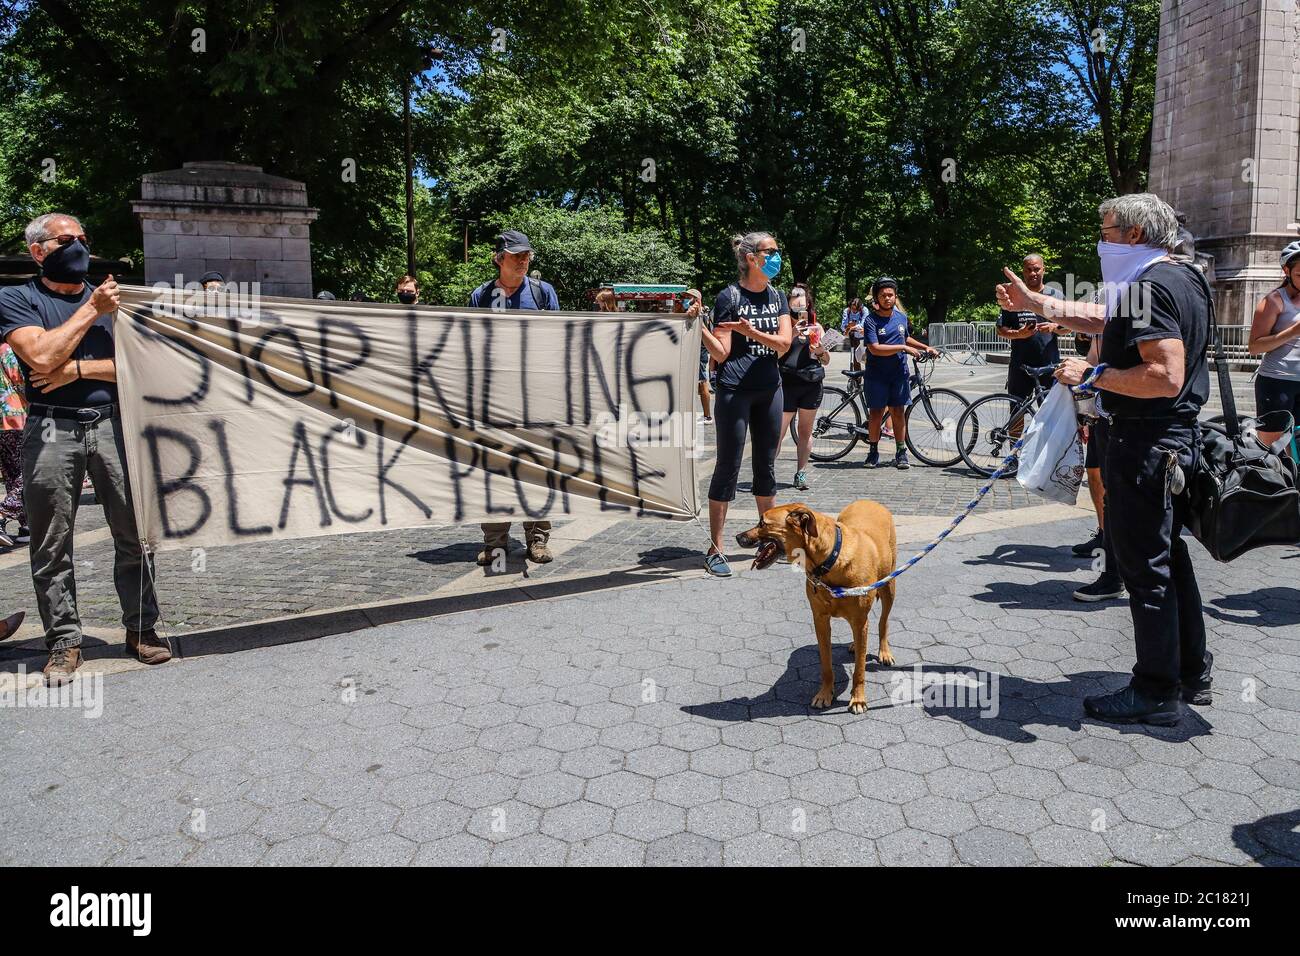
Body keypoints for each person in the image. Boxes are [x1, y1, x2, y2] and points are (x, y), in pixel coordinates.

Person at [999, 192, 1212, 725]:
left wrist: (1091, 376)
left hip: (1145, 441)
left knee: (1145, 566)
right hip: (1170, 440)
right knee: (1169, 556)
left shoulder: (1148, 285)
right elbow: (1106, 318)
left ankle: (1156, 690)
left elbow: (1164, 375)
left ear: (1135, 235)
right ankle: (1191, 670)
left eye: (1108, 229)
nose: (1102, 239)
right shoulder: (1179, 277)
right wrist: (1038, 304)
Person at [0, 213, 166, 685]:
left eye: (82, 239)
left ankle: (142, 629)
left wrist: (78, 371)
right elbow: (41, 356)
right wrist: (92, 311)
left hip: (115, 425)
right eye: (65, 240)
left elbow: (144, 366)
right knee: (52, 544)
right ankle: (64, 642)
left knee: (134, 534)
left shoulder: (119, 299)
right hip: (51, 430)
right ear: (38, 251)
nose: (78, 246)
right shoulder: (17, 298)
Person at [699, 231, 793, 577]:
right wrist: (698, 324)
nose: (776, 257)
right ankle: (716, 548)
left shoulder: (777, 296)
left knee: (766, 467)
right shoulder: (730, 296)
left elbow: (784, 344)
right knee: (727, 467)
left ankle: (770, 540)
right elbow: (721, 352)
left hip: (770, 389)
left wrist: (750, 332)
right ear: (752, 257)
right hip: (734, 390)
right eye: (771, 252)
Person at [467, 230, 560, 565]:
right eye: (516, 255)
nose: (523, 261)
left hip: (535, 395)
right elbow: (474, 346)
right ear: (499, 257)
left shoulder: (542, 292)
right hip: (496, 396)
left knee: (536, 468)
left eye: (527, 256)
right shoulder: (481, 295)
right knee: (495, 470)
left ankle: (537, 539)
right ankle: (495, 542)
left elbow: (556, 341)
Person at [862, 278, 936, 469]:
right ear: (877, 298)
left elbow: (906, 337)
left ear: (895, 297)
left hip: (898, 373)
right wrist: (903, 347)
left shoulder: (901, 317)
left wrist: (926, 347)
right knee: (876, 413)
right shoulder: (871, 320)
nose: (887, 298)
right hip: (877, 374)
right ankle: (873, 452)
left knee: (898, 412)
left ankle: (901, 452)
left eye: (890, 295)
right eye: (883, 295)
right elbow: (875, 348)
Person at [1248, 240, 1300, 453]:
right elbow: (1254, 347)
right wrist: (1293, 331)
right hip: (1277, 383)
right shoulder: (1274, 301)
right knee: (1272, 449)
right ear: (1286, 271)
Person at [777, 286, 830, 490]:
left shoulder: (816, 326)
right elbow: (776, 355)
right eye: (794, 296)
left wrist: (820, 350)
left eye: (801, 297)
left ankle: (801, 473)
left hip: (811, 383)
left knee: (805, 432)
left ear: (808, 302)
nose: (797, 300)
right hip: (787, 383)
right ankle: (767, 471)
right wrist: (790, 335)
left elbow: (825, 360)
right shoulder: (782, 324)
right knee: (777, 432)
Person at [995, 254, 1064, 406]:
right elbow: (1000, 329)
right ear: (1023, 272)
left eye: (1036, 269)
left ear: (1043, 270)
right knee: (1016, 412)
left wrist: (1054, 327)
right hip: (1020, 365)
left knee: (1049, 413)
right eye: (1029, 270)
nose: (1033, 273)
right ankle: (1013, 431)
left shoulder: (1056, 295)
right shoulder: (1014, 295)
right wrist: (1019, 333)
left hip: (1048, 365)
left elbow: (1068, 328)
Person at [0, 342, 29, 548]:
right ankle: (3, 513)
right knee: (29, 473)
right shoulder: (7, 350)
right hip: (15, 416)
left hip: (3, 421)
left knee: (12, 473)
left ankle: (28, 525)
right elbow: (20, 378)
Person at [681, 289, 712, 424]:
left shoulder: (702, 314)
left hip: (700, 349)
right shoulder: (691, 312)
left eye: (689, 297)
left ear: (697, 299)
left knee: (701, 381)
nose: (685, 300)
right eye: (685, 297)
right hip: (693, 348)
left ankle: (707, 416)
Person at [843, 297, 867, 371]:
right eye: (852, 309)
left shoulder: (865, 310)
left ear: (859, 308)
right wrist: (848, 327)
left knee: (866, 357)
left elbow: (863, 324)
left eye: (855, 310)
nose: (853, 311)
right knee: (855, 358)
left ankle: (869, 375)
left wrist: (852, 327)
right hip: (854, 337)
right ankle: (857, 378)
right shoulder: (847, 311)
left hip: (864, 336)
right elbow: (843, 326)